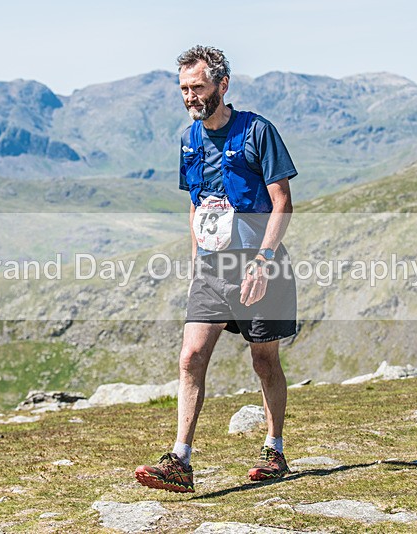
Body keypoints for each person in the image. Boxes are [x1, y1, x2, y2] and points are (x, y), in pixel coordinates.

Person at [134, 45, 298, 493]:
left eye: (198, 87)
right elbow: (195, 203)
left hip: (260, 264)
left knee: (264, 360)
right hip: (211, 267)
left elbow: (282, 203)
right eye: (184, 89)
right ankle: (180, 460)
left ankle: (275, 450)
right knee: (190, 358)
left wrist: (263, 261)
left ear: (222, 85)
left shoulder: (257, 131)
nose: (191, 97)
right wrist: (194, 260)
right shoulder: (188, 139)